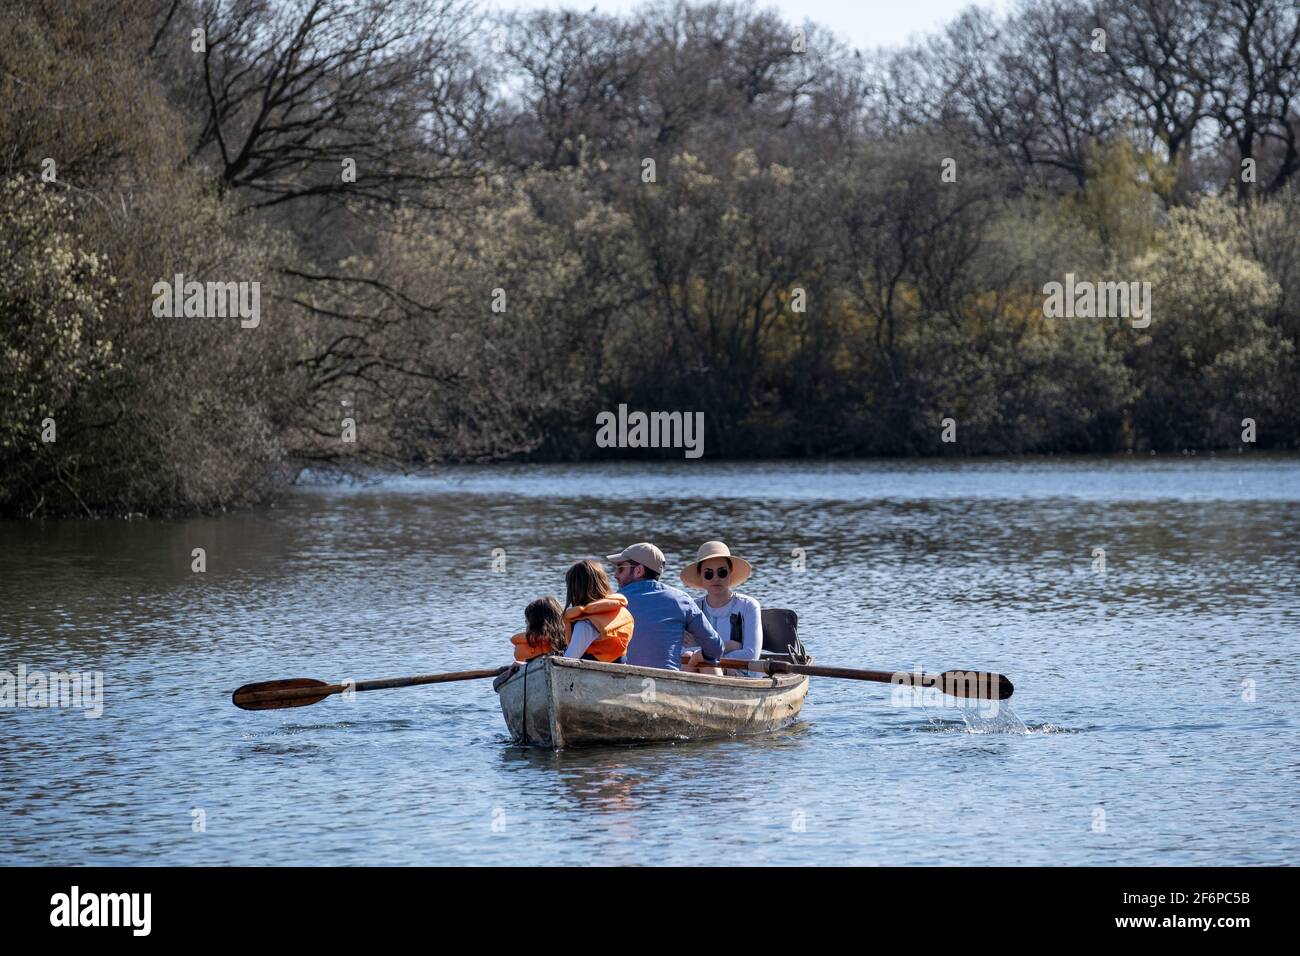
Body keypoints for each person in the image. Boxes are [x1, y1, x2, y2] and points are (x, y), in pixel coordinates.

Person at [605, 542, 722, 670]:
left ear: (639, 571)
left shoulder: (610, 603)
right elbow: (715, 647)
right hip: (667, 683)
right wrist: (703, 656)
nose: (615, 575)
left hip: (622, 683)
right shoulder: (681, 600)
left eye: (620, 568)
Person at [678, 541, 762, 676]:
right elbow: (680, 652)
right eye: (709, 574)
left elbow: (751, 655)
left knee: (703, 662)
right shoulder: (692, 608)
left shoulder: (749, 605)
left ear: (730, 572)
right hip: (700, 669)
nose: (716, 578)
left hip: (743, 675)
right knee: (689, 658)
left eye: (722, 572)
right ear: (701, 576)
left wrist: (704, 653)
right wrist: (726, 646)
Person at [562, 560, 635, 663]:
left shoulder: (585, 625)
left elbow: (567, 661)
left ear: (574, 591)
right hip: (617, 673)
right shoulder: (622, 614)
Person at [509, 596, 566, 662]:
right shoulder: (567, 635)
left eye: (527, 623)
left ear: (535, 625)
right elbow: (513, 639)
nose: (526, 627)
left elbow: (514, 640)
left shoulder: (565, 637)